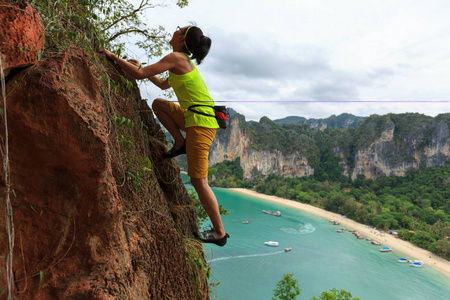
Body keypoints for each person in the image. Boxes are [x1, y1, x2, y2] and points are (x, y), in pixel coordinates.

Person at [101, 25, 229, 246]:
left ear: (181, 37)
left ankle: (220, 233)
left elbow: (139, 75)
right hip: (193, 119)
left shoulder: (177, 58)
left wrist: (112, 56)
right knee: (159, 104)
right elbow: (160, 84)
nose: (175, 29)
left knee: (199, 181)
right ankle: (179, 143)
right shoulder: (181, 62)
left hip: (201, 125)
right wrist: (140, 67)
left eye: (179, 28)